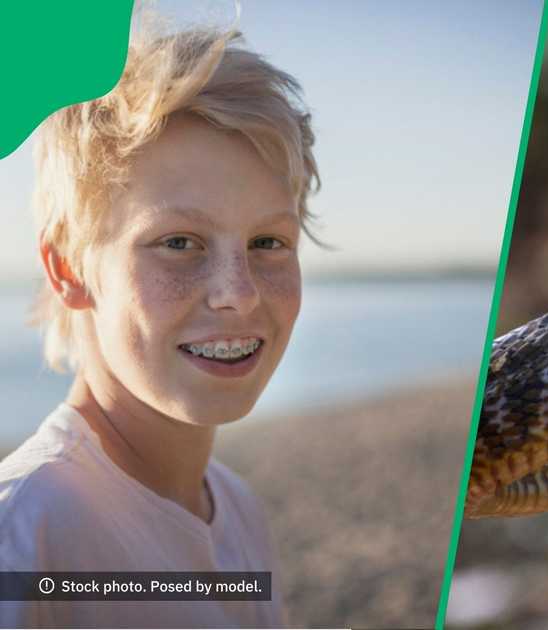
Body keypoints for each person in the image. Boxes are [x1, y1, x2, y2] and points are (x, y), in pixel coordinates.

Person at [0, 16, 319, 627]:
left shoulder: (237, 509)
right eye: (178, 242)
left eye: (268, 242)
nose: (238, 294)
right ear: (69, 269)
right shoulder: (30, 531)